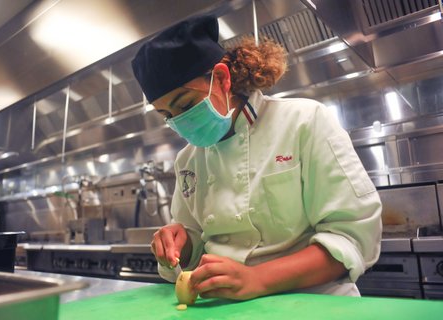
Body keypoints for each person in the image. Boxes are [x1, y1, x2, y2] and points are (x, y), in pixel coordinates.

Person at [131, 14, 382, 300]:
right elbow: (199, 240)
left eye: (186, 104)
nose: (180, 122)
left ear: (222, 79)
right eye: (168, 115)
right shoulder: (187, 161)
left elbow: (352, 237)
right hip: (227, 308)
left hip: (314, 302)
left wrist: (258, 279)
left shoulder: (304, 121)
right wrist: (182, 244)